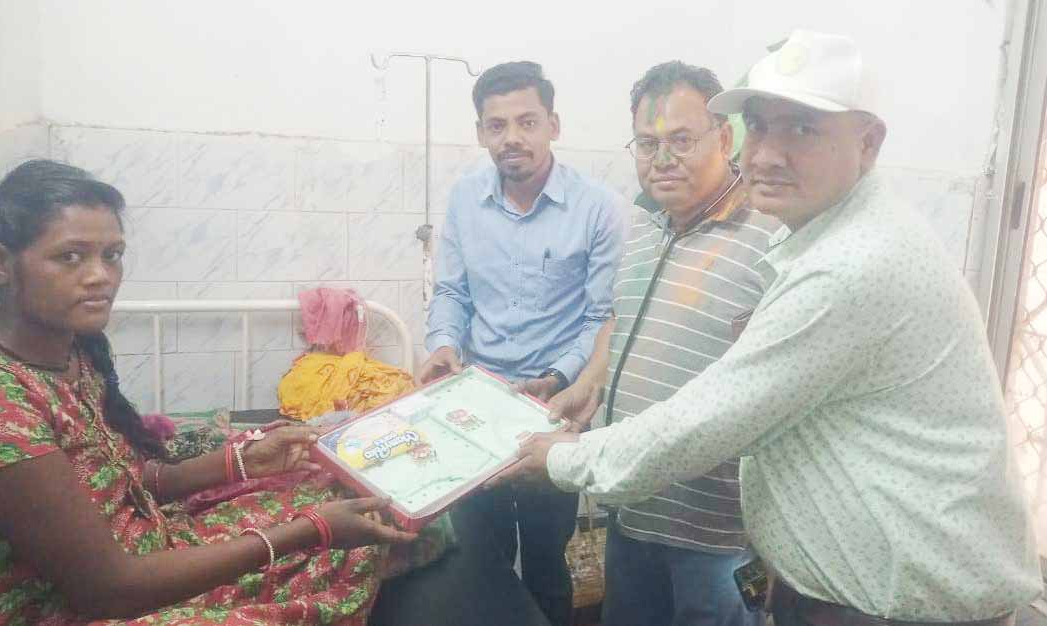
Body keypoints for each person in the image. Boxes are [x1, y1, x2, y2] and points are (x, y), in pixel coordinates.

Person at [492, 30, 1041, 625]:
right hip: (660, 518)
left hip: (854, 588)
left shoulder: (846, 262)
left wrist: (564, 461)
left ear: (868, 142)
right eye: (760, 125)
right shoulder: (756, 232)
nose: (768, 154)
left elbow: (711, 416)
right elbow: (629, 330)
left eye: (802, 128)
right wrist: (592, 388)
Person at [0, 159, 418, 625]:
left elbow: (126, 481)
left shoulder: (70, 352)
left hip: (147, 550)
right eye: (70, 256)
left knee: (337, 485)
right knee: (338, 549)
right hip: (79, 606)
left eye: (112, 255)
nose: (101, 275)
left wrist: (243, 461)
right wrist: (310, 530)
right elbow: (107, 588)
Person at [542, 60, 777, 626]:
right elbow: (620, 320)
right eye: (647, 144)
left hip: (719, 535)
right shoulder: (646, 228)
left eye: (681, 140)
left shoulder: (771, 236)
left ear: (725, 139)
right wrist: (591, 383)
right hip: (633, 514)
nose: (662, 159)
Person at [418, 61, 625, 626]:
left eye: (527, 122)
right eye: (497, 125)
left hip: (551, 409)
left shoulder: (597, 208)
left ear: (553, 125)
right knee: (475, 558)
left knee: (545, 558)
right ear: (481, 132)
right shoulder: (465, 198)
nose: (512, 137)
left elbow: (600, 317)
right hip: (474, 405)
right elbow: (452, 292)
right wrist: (442, 344)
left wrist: (558, 378)